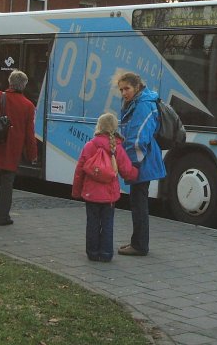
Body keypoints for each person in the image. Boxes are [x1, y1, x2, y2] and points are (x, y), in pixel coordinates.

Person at [71, 113, 138, 262]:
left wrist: (76, 191)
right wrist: (137, 172)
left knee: (92, 223)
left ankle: (92, 252)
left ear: (99, 126)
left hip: (91, 195)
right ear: (114, 128)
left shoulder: (89, 145)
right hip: (109, 196)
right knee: (107, 224)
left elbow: (79, 170)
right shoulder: (117, 148)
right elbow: (127, 171)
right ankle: (106, 253)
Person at [0, 70, 38, 226]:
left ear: (10, 82)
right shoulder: (28, 106)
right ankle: (4, 217)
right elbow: (29, 134)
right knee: (7, 184)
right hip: (11, 150)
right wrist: (32, 154)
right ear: (24, 86)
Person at [116, 72, 166, 256]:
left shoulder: (143, 105)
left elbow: (138, 138)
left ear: (137, 86)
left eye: (127, 88)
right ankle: (137, 242)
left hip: (142, 161)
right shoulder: (140, 102)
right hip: (143, 160)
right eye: (121, 89)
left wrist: (132, 166)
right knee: (138, 203)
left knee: (139, 204)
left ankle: (139, 245)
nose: (123, 93)